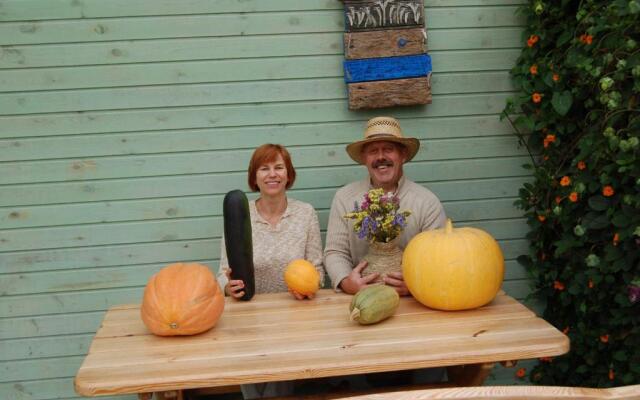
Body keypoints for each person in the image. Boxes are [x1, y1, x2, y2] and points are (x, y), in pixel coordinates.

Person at [324, 116, 447, 387]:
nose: (381, 157)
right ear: (364, 158)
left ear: (402, 155)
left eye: (388, 149)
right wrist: (347, 282)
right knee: (356, 378)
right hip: (362, 304)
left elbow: (440, 261)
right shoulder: (345, 198)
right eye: (373, 151)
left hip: (415, 308)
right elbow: (334, 252)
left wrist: (416, 284)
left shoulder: (426, 202)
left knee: (430, 371)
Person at [217, 143, 324, 398]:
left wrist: (309, 288)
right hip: (248, 317)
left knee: (278, 387)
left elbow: (317, 269)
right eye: (264, 168)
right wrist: (226, 286)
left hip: (292, 319)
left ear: (289, 174)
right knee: (253, 387)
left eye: (279, 167)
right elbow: (222, 271)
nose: (272, 174)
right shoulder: (239, 214)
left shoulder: (305, 213)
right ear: (255, 177)